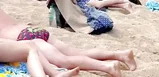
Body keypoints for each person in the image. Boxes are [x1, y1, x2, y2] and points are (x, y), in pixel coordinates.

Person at [0, 8, 136, 76]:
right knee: (77, 52)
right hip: (29, 30)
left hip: (23, 38)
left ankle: (106, 67)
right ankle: (119, 54)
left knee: (64, 61)